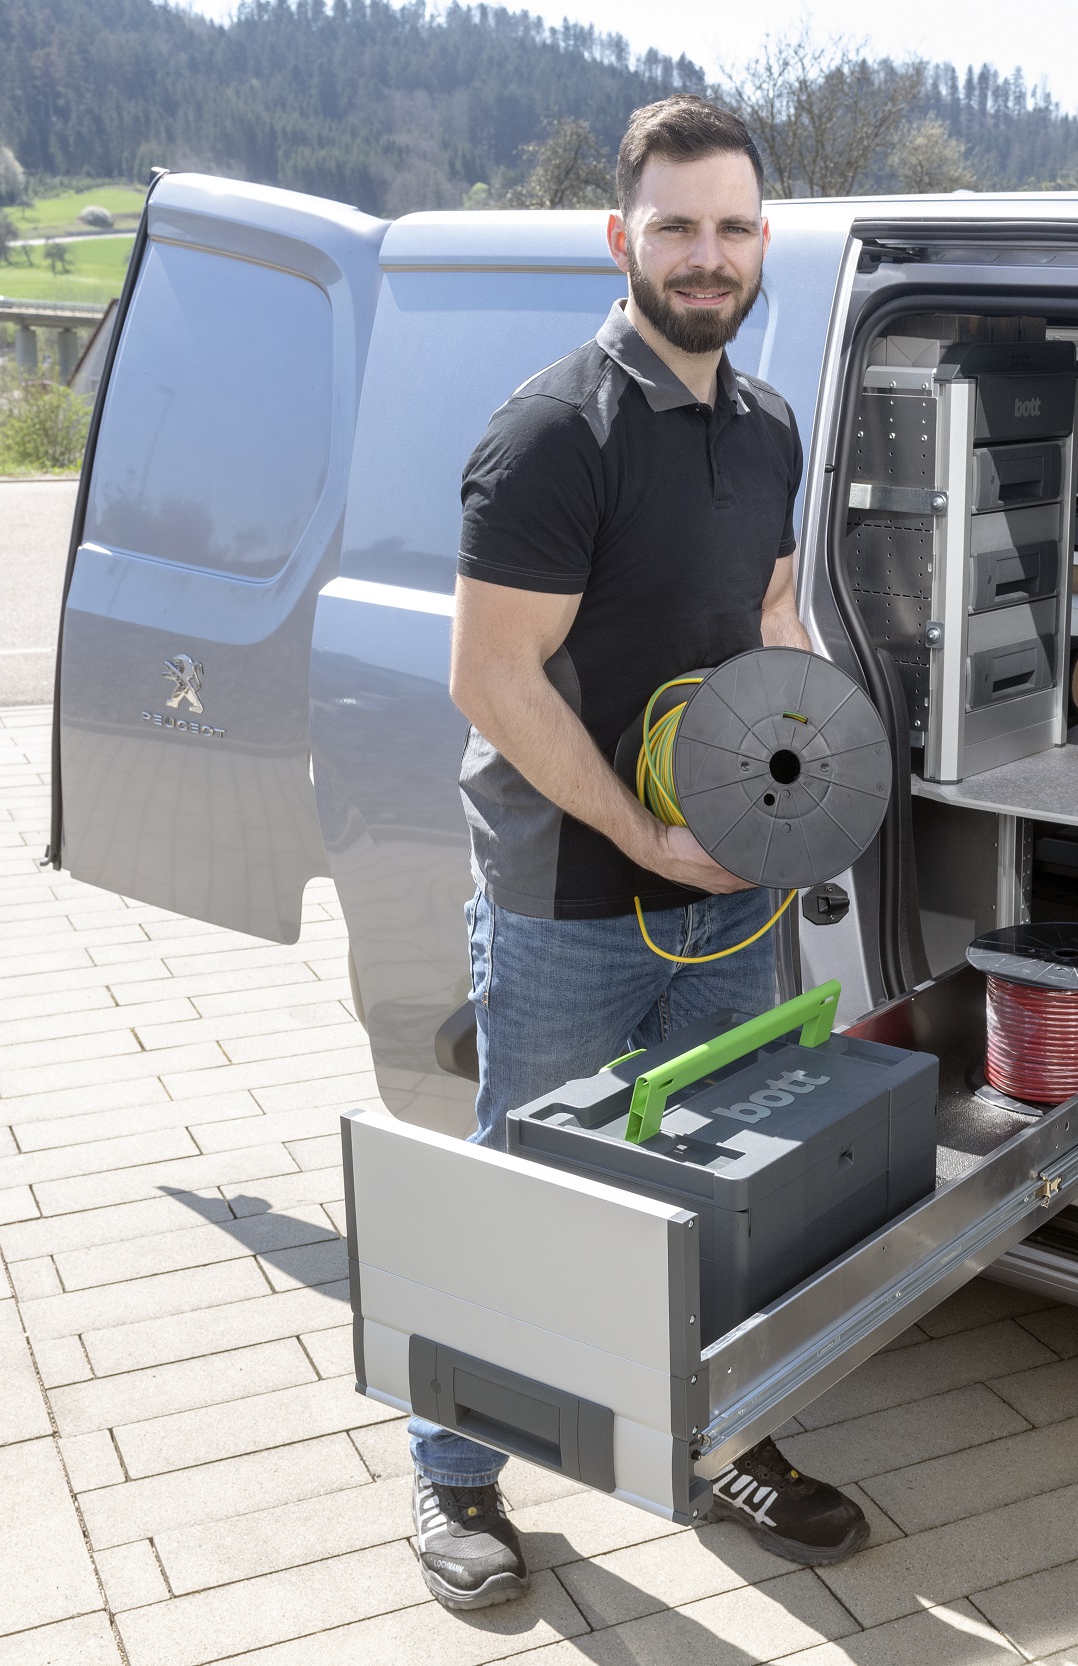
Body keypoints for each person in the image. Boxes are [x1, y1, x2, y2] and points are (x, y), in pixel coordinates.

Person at [411, 94, 868, 1613]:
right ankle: (456, 1476)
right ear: (622, 237)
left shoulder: (771, 425)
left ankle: (720, 1436)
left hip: (727, 896)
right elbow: (494, 680)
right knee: (527, 1190)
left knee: (723, 1184)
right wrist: (644, 836)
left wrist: (783, 800)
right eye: (675, 224)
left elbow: (776, 616)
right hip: (570, 902)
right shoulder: (552, 434)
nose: (706, 253)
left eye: (734, 227)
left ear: (762, 247)